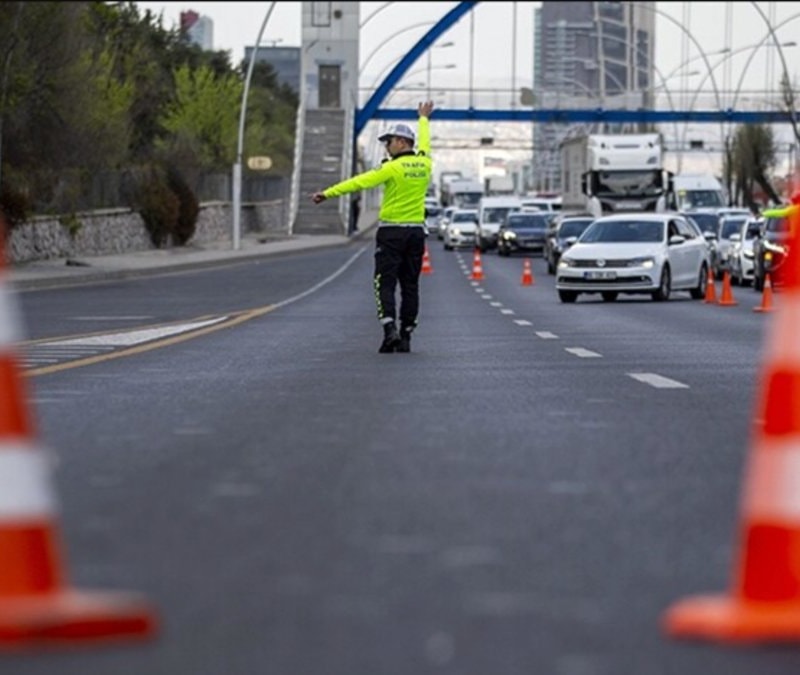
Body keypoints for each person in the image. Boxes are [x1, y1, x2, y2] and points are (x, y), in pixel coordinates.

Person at [311, 100, 435, 354]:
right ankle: (407, 334)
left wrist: (328, 193)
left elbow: (359, 182)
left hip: (391, 233)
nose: (387, 147)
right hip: (415, 234)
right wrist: (423, 118)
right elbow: (425, 143)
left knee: (384, 283)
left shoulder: (391, 168)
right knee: (410, 285)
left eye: (389, 142)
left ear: (401, 142)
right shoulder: (425, 164)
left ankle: (389, 329)